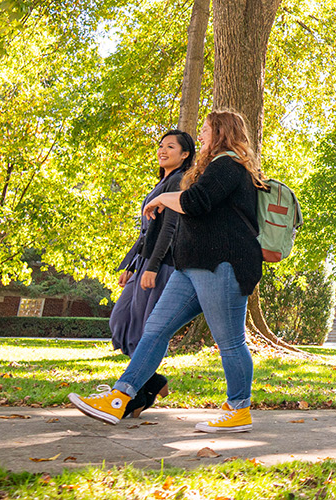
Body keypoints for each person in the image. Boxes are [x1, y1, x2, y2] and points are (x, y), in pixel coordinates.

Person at [72, 109, 268, 433]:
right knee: (155, 329)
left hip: (222, 265)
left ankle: (239, 408)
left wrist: (163, 197)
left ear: (220, 132)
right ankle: (121, 397)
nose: (201, 134)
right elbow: (196, 203)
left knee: (230, 340)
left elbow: (197, 202)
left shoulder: (229, 165)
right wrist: (166, 199)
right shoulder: (214, 167)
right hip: (189, 268)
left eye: (205, 129)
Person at [104, 130, 194, 418]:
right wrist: (132, 266)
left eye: (171, 146)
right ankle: (153, 380)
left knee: (146, 329)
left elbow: (169, 229)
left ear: (185, 154)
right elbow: (147, 231)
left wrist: (153, 267)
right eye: (161, 146)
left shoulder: (180, 181)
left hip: (162, 264)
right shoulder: (164, 181)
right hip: (144, 262)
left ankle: (139, 392)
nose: (163, 150)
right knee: (120, 320)